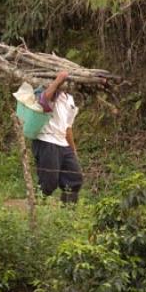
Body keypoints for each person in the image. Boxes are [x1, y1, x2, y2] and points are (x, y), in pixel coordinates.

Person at [31, 70, 83, 203]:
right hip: (46, 141)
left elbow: (68, 127)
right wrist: (58, 80)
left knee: (74, 178)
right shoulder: (48, 92)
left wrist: (73, 150)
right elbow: (43, 101)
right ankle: (37, 210)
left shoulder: (70, 100)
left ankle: (68, 214)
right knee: (48, 183)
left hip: (62, 143)